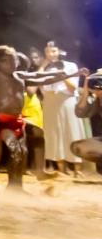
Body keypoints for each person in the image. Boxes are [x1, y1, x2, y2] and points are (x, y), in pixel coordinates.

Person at [0, 45, 73, 189]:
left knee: (34, 137)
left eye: (14, 60)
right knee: (16, 150)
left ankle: (38, 172)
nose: (11, 63)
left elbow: (39, 77)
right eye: (6, 61)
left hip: (17, 119)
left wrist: (66, 75)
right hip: (2, 120)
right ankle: (13, 186)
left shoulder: (20, 75)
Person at [40, 41, 83, 176]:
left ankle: (77, 169)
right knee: (54, 133)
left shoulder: (70, 66)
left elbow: (73, 88)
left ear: (59, 51)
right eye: (47, 51)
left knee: (72, 131)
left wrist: (63, 76)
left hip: (66, 100)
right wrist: (43, 66)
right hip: (50, 101)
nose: (50, 54)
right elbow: (38, 82)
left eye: (53, 51)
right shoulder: (45, 68)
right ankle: (61, 168)